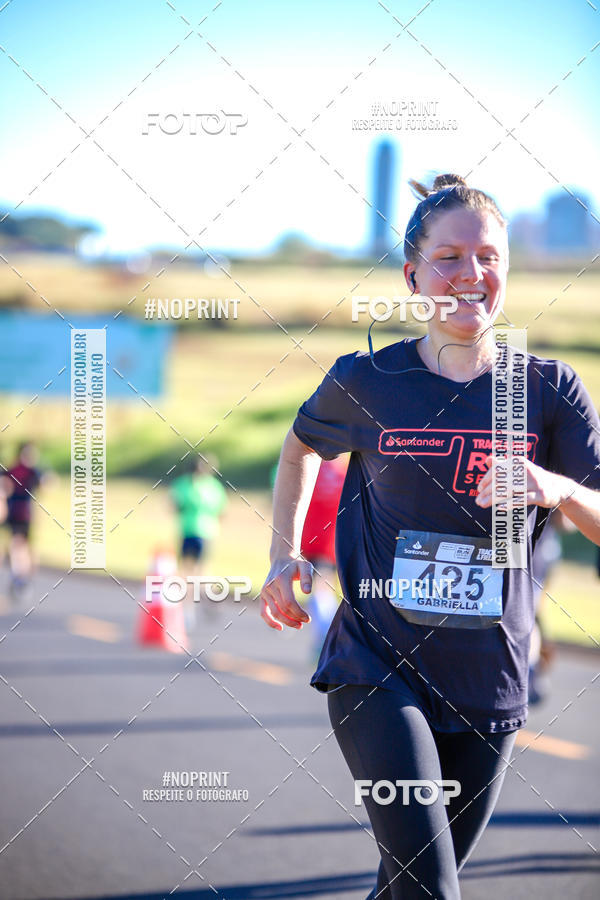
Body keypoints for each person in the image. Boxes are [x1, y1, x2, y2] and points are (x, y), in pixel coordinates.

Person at [260, 174, 600, 899]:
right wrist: (283, 555)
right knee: (430, 888)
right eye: (449, 258)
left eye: (489, 257)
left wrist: (559, 488)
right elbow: (297, 451)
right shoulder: (367, 379)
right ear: (412, 275)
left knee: (405, 884)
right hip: (376, 665)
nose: (471, 275)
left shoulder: (549, 388)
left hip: (490, 678)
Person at [299, 454, 348, 659]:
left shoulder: (311, 471)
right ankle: (330, 640)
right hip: (336, 541)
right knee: (328, 589)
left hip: (313, 539)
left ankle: (328, 641)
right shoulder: (344, 473)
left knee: (319, 590)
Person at [170, 456, 227, 627]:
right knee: (194, 573)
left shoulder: (184, 484)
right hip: (200, 531)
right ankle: (206, 600)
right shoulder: (212, 487)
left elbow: (175, 506)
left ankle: (191, 610)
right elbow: (222, 510)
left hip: (194, 531)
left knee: (191, 573)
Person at [2, 442, 42, 603]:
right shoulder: (25, 471)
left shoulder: (23, 470)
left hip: (24, 514)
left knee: (23, 545)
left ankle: (21, 576)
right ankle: (19, 578)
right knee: (19, 544)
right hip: (19, 513)